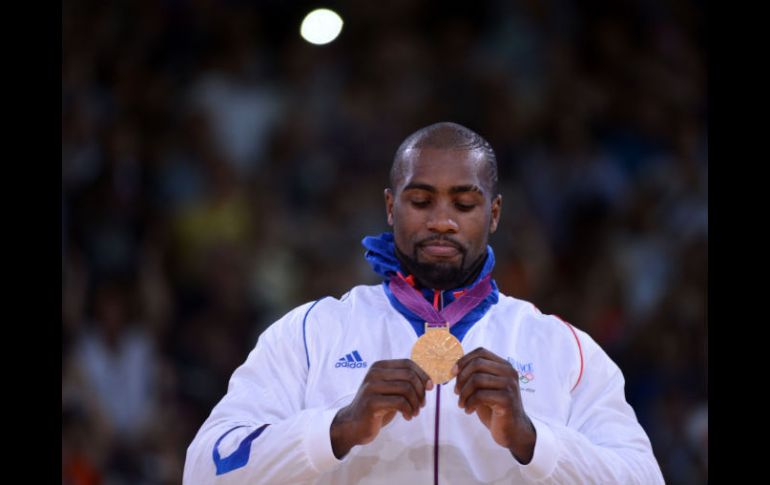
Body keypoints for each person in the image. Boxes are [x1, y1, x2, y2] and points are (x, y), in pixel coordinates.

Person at [183, 122, 664, 484]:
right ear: (391, 207)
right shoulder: (312, 333)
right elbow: (206, 468)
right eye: (420, 201)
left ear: (494, 213)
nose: (441, 221)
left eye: (464, 204)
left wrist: (532, 438)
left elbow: (643, 476)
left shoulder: (562, 347)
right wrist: (337, 429)